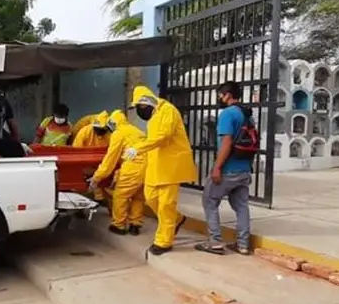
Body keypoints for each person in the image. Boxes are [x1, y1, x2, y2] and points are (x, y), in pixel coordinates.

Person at [124, 86, 196, 255]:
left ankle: (163, 241)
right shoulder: (154, 116)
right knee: (150, 198)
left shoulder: (168, 111)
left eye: (139, 107)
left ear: (147, 102)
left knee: (165, 205)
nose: (139, 112)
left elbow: (162, 137)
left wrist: (138, 148)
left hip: (171, 165)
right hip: (156, 164)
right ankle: (176, 219)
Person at [194, 81, 257, 256]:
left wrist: (217, 168)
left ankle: (215, 242)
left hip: (228, 169)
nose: (219, 98)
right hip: (244, 169)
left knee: (209, 201)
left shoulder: (227, 114)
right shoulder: (247, 114)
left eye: (220, 95)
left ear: (227, 95)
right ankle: (243, 245)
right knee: (242, 206)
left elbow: (226, 143)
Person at [91, 109, 147, 235]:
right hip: (147, 168)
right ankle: (135, 224)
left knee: (120, 196)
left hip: (132, 168)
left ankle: (119, 225)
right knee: (138, 196)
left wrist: (97, 177)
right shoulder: (137, 131)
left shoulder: (118, 133)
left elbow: (110, 160)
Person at [72, 111, 111, 203]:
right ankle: (78, 203)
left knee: (106, 180)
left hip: (103, 162)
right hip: (84, 162)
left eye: (101, 129)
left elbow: (112, 152)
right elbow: (76, 152)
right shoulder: (84, 132)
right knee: (79, 181)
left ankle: (101, 199)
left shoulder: (111, 134)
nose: (99, 132)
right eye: (96, 129)